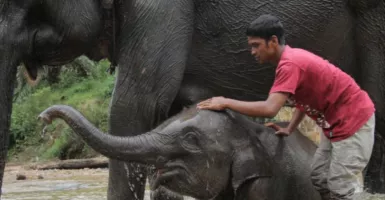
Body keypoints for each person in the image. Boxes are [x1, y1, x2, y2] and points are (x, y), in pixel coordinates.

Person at [197, 14, 375, 200]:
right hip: (333, 123)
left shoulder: (290, 64)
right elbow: (305, 98)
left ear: (273, 41)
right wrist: (290, 128)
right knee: (320, 177)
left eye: (256, 45)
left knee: (341, 187)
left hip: (353, 121)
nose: (252, 51)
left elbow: (270, 109)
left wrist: (226, 102)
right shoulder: (289, 62)